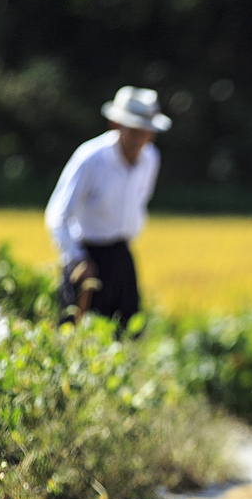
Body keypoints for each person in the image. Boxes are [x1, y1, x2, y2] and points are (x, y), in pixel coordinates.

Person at [45, 86, 171, 331]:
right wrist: (76, 258)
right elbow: (58, 214)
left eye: (147, 132)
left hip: (121, 254)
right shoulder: (91, 158)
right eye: (135, 130)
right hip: (86, 256)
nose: (141, 138)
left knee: (128, 331)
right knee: (77, 333)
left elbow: (141, 201)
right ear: (116, 125)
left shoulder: (150, 158)